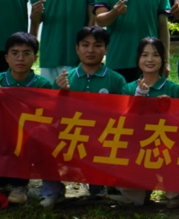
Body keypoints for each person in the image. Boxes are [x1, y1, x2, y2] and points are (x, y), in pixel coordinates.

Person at [0, 31, 55, 204]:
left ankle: (19, 185)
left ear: (35, 58)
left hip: (26, 141)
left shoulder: (42, 85)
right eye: (15, 53)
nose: (20, 58)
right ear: (7, 58)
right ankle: (5, 181)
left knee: (23, 141)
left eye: (26, 53)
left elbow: (49, 122)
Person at [44, 26, 128, 208]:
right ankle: (53, 191)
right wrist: (61, 93)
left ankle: (98, 188)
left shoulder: (116, 80)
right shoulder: (64, 79)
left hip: (102, 137)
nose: (91, 50)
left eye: (97, 45)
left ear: (106, 49)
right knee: (42, 133)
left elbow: (122, 116)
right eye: (85, 45)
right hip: (72, 137)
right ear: (77, 48)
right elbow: (52, 116)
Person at [121, 37, 179, 208]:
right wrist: (139, 97)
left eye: (155, 55)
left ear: (163, 59)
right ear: (138, 59)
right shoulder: (128, 88)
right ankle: (142, 191)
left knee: (172, 153)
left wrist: (166, 113)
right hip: (135, 147)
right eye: (145, 55)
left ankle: (173, 191)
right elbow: (124, 123)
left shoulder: (174, 89)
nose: (150, 60)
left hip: (164, 146)